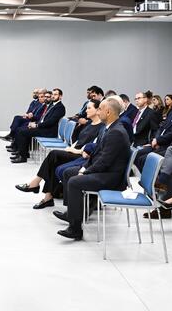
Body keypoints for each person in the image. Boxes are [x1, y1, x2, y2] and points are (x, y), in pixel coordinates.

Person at [54, 96, 131, 240]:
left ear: (108, 112)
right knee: (68, 173)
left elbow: (104, 162)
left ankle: (75, 229)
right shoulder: (108, 128)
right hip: (105, 170)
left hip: (112, 177)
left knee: (75, 181)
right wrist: (84, 167)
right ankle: (72, 214)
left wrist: (86, 171)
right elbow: (96, 154)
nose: (98, 112)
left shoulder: (116, 132)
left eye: (100, 109)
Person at [14, 100, 104, 209]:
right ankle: (46, 196)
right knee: (53, 161)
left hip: (81, 156)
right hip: (74, 151)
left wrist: (74, 150)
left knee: (54, 155)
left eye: (89, 108)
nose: (86, 111)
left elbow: (91, 148)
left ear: (97, 110)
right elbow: (79, 140)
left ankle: (37, 184)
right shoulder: (89, 124)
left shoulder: (101, 127)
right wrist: (70, 148)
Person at [134, 88, 172, 171]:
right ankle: (148, 177)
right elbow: (161, 127)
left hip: (168, 144)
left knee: (144, 159)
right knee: (137, 154)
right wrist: (155, 139)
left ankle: (154, 178)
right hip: (159, 142)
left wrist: (159, 141)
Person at [10, 88, 66, 163]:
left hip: (49, 131)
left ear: (60, 96)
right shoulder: (52, 105)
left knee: (22, 132)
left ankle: (22, 157)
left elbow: (51, 122)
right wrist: (34, 123)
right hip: (43, 127)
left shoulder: (60, 107)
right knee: (21, 129)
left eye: (55, 94)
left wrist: (36, 125)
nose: (53, 96)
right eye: (52, 94)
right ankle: (23, 153)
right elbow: (43, 118)